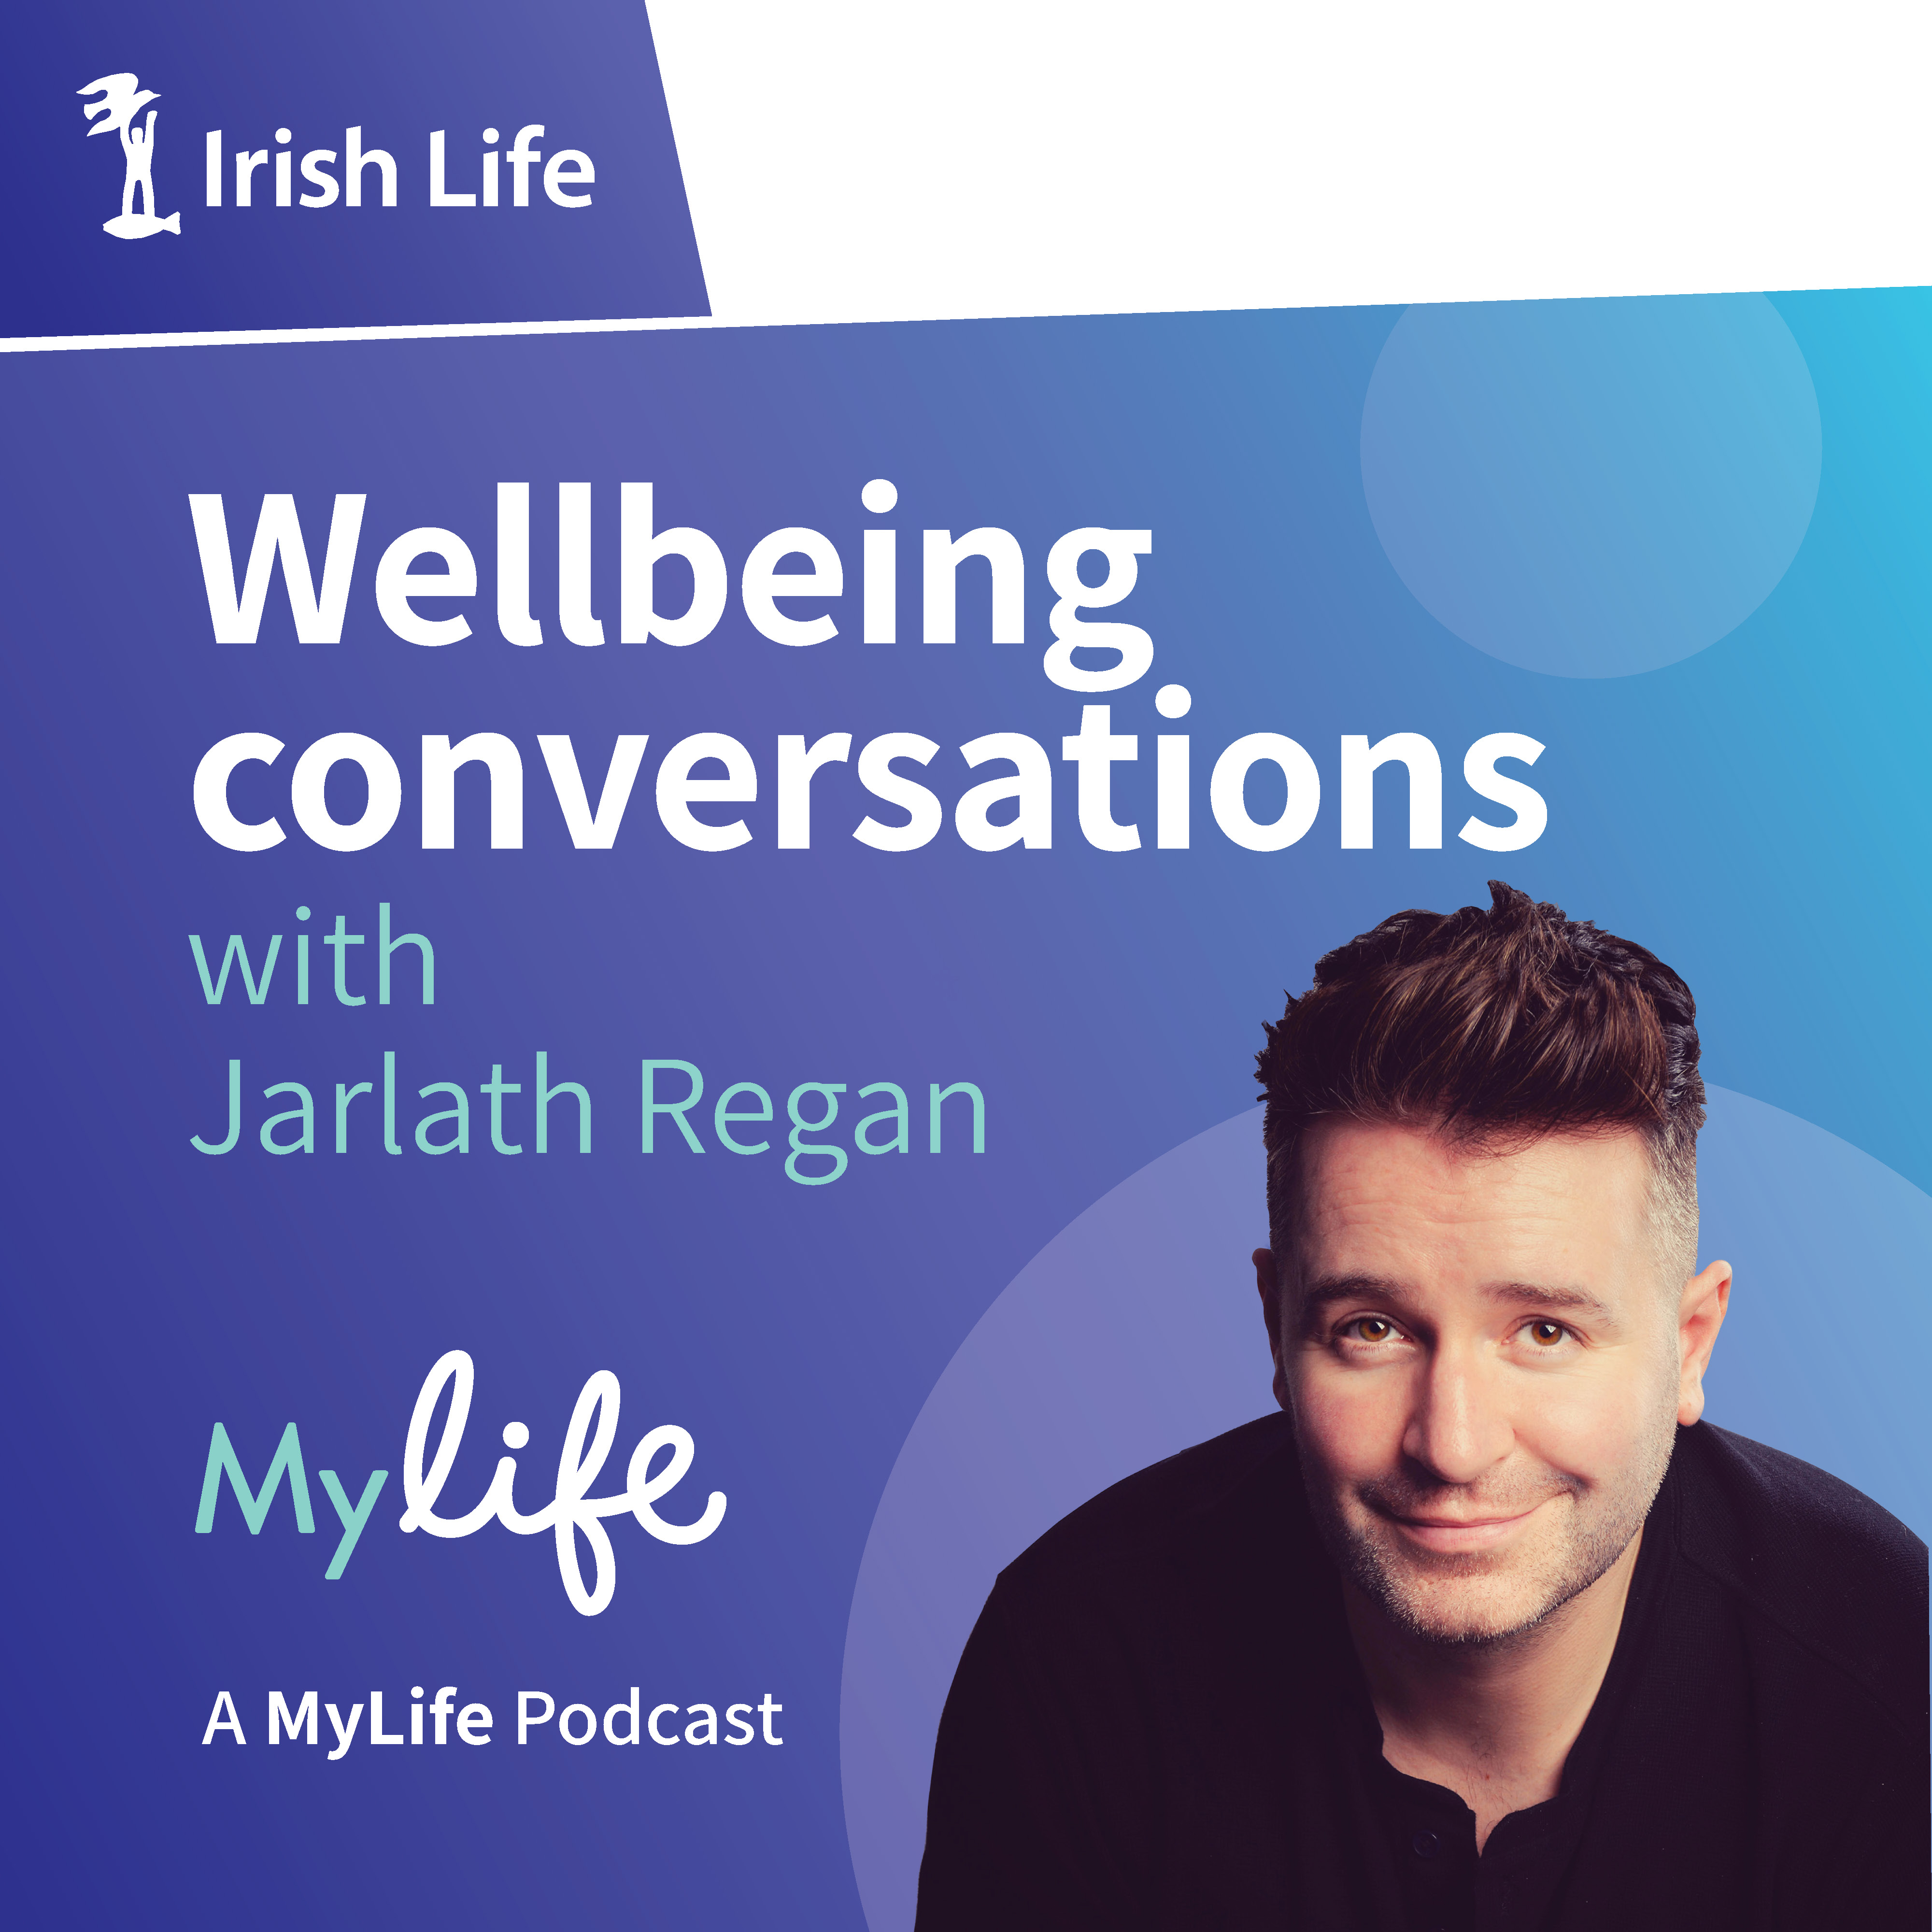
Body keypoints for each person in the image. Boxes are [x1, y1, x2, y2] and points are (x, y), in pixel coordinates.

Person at [916, 883, 1928, 1931]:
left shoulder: (1892, 1671)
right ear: (1275, 1328)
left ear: (1687, 1345)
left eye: (1543, 1330)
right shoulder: (1078, 1656)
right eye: (1372, 1327)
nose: (1450, 1443)